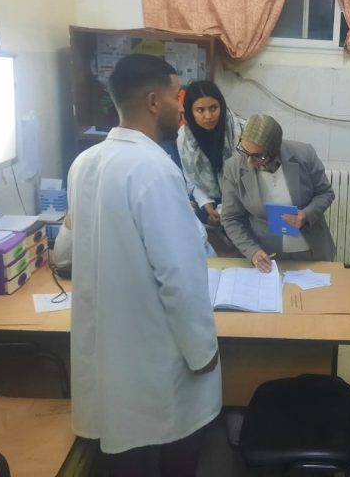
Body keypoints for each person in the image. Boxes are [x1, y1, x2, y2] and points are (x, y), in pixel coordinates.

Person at [67, 54, 220, 476]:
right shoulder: (154, 169)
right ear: (154, 102)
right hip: (156, 355)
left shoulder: (85, 163)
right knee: (171, 446)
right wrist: (203, 351)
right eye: (176, 97)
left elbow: (76, 248)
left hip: (110, 350)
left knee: (126, 453)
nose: (181, 107)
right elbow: (180, 276)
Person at [220, 114, 335, 271]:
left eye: (257, 156)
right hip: (268, 254)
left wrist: (306, 214)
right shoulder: (233, 167)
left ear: (274, 150)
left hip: (311, 249)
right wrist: (252, 250)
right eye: (244, 151)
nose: (249, 162)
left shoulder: (304, 155)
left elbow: (325, 193)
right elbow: (231, 218)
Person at [177, 80, 244, 226]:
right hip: (206, 196)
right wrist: (206, 204)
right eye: (200, 110)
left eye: (213, 108)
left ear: (221, 106)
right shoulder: (184, 137)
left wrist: (226, 208)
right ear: (190, 111)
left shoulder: (239, 130)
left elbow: (247, 176)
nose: (208, 116)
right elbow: (190, 177)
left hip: (241, 196)